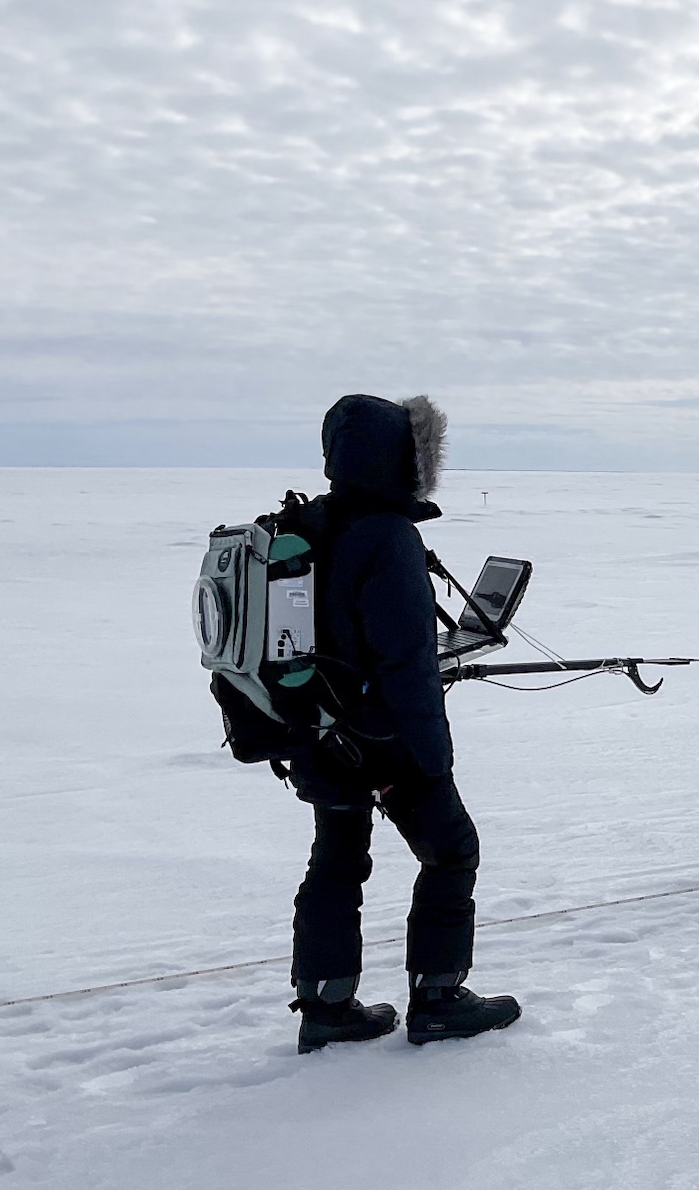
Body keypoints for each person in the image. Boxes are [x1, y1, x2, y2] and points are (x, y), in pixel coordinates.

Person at [285, 393, 520, 1053]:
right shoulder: (387, 538)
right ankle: (440, 998)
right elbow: (405, 663)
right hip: (380, 737)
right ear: (404, 458)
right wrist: (431, 757)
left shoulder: (309, 523)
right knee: (453, 850)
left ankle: (328, 1007)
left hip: (312, 726)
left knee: (337, 858)